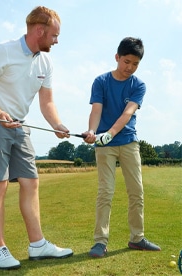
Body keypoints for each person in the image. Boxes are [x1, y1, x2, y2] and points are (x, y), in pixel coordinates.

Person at [0, 6, 73, 270]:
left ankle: (37, 245)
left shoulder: (45, 62)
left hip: (20, 126)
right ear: (40, 31)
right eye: (53, 35)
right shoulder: (2, 51)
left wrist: (57, 124)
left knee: (31, 183)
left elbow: (47, 101)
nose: (56, 41)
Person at [83, 37, 161, 257]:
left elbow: (128, 113)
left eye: (135, 64)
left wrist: (110, 133)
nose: (130, 67)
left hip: (128, 142)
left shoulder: (139, 85)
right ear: (117, 57)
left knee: (136, 192)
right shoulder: (101, 81)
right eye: (126, 61)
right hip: (104, 146)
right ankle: (100, 242)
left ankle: (137, 238)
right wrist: (92, 131)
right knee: (105, 192)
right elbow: (96, 110)